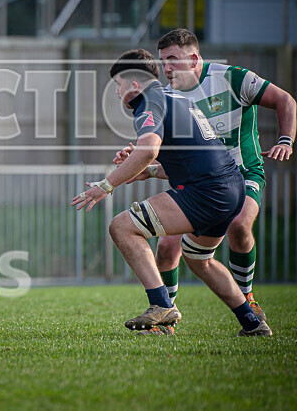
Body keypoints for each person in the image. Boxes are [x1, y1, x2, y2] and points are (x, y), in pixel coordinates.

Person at [72, 49, 271, 337]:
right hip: (231, 187)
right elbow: (188, 157)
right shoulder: (176, 99)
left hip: (207, 190)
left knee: (122, 227)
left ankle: (161, 305)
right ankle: (252, 323)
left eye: (118, 84)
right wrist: (150, 171)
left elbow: (148, 150)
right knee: (200, 259)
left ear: (134, 84)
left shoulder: (148, 103)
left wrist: (106, 185)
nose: (116, 91)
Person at [116, 29, 295, 322]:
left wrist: (285, 140)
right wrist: (146, 164)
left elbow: (285, 99)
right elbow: (180, 158)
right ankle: (165, 315)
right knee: (168, 246)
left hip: (243, 172)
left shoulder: (232, 78)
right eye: (162, 61)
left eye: (172, 59)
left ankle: (246, 296)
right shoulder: (168, 95)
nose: (166, 68)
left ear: (194, 58)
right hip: (202, 184)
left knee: (239, 225)